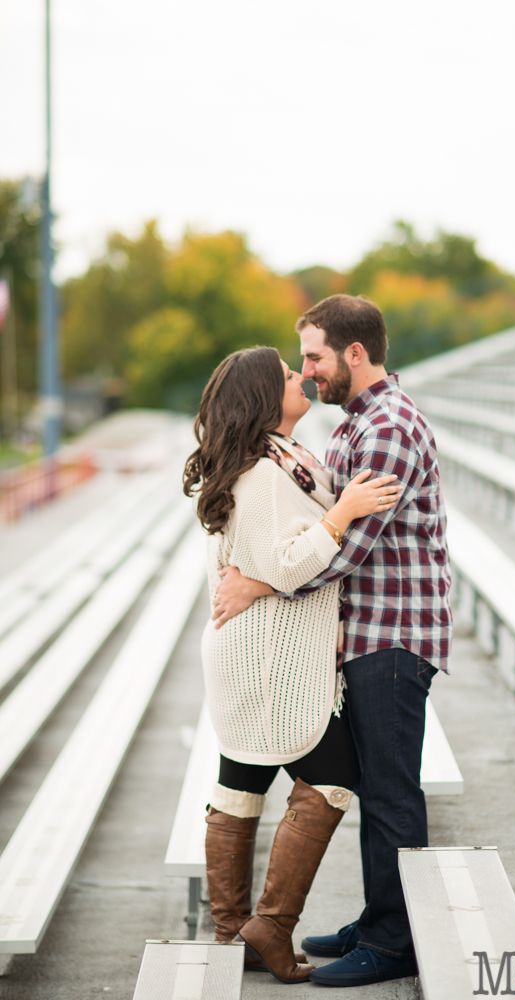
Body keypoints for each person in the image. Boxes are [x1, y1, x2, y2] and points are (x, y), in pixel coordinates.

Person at [212, 295, 453, 988]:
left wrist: (259, 585)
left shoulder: (386, 428)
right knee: (372, 785)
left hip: (389, 633)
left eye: (313, 356)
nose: (309, 371)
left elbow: (348, 551)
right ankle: (379, 917)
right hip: (357, 634)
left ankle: (391, 940)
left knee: (390, 792)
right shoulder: (352, 424)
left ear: (354, 352)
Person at [183, 345, 401, 985]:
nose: (300, 376)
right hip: (269, 659)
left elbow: (261, 568)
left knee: (240, 783)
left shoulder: (283, 460)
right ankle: (269, 928)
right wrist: (343, 513)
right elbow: (284, 564)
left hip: (254, 648)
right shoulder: (264, 475)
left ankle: (232, 935)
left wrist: (260, 579)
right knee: (336, 777)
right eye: (285, 375)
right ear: (260, 397)